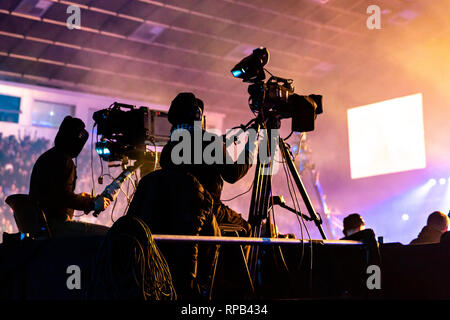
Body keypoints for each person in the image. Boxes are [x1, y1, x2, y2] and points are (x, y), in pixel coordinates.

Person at [159, 92, 254, 236]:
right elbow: (233, 174)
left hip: (177, 213)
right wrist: (249, 152)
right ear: (197, 116)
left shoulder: (168, 150)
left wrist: (223, 141)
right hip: (208, 209)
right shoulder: (211, 142)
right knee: (246, 228)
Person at [29, 116, 111, 237]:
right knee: (107, 235)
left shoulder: (47, 156)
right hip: (56, 226)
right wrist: (93, 204)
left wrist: (79, 197)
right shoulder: (64, 161)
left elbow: (56, 194)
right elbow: (64, 198)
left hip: (42, 225)